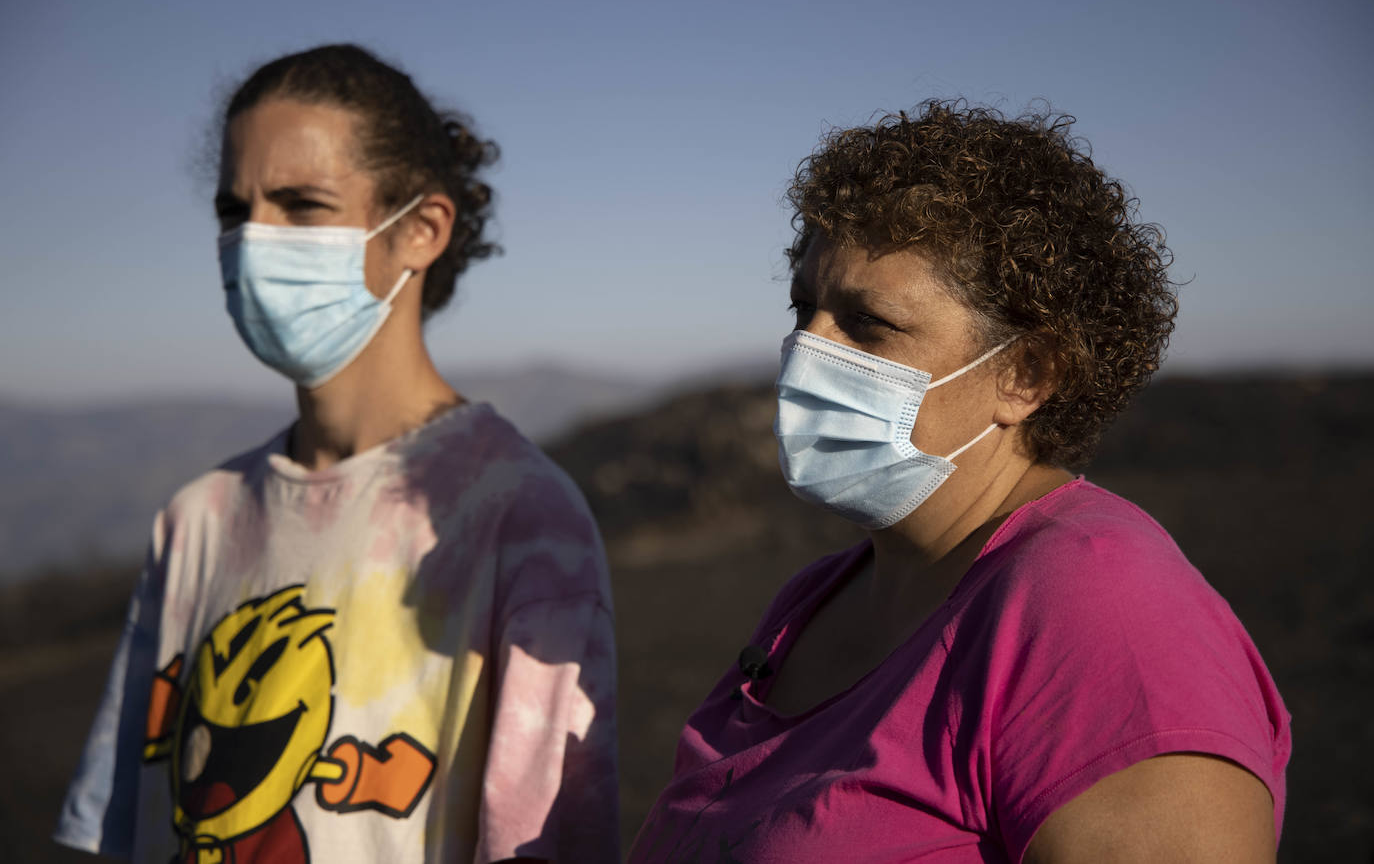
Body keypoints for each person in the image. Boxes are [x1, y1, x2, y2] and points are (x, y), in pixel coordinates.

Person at [629, 102, 1290, 863]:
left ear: (1025, 373)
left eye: (869, 323)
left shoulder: (1102, 607)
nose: (806, 349)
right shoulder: (817, 598)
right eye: (804, 306)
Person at [55, 44, 619, 864]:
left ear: (420, 231)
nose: (253, 241)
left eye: (300, 204)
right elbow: (123, 820)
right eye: (232, 209)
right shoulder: (196, 518)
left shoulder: (522, 519)